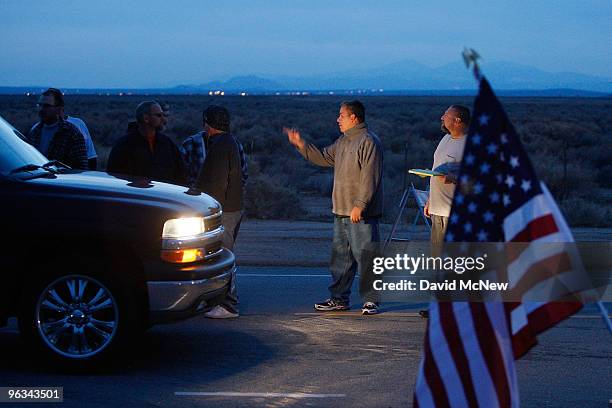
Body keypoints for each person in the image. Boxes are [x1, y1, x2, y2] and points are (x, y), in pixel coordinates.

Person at [284, 100, 384, 315]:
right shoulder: (343, 141)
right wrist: (302, 144)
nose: (338, 119)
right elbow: (322, 157)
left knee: (366, 255)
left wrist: (360, 205)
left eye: (341, 115)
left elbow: (370, 177)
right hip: (341, 210)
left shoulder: (368, 141)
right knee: (341, 259)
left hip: (360, 213)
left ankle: (371, 299)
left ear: (354, 118)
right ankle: (339, 299)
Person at [192, 106, 246, 319]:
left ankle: (229, 305)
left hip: (223, 210)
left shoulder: (220, 146)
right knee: (222, 255)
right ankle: (219, 300)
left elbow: (216, 181)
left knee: (222, 256)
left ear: (207, 123)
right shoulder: (230, 142)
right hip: (231, 206)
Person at [420, 104, 470, 319]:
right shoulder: (445, 139)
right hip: (439, 210)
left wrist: (453, 179)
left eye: (446, 116)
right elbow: (436, 170)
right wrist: (430, 198)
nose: (442, 117)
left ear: (458, 120)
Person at [107, 101, 186, 185]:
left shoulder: (167, 143)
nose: (163, 119)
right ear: (146, 118)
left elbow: (180, 173)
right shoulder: (124, 145)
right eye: (159, 115)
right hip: (136, 195)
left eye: (164, 115)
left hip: (164, 194)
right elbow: (115, 177)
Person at [26, 88, 88, 169]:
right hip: (38, 179)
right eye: (40, 105)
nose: (41, 109)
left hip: (62, 180)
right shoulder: (35, 132)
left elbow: (81, 167)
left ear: (58, 109)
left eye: (47, 106)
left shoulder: (72, 133)